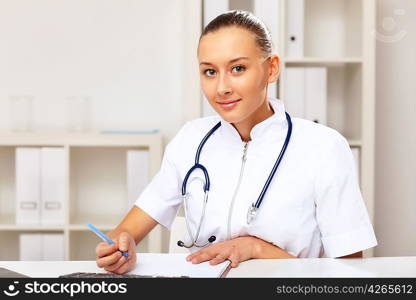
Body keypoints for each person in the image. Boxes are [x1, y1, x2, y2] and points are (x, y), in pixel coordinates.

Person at [95, 10, 377, 274]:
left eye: (238, 68)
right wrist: (119, 248)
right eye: (210, 71)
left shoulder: (323, 148)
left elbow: (348, 275)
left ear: (271, 69)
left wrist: (257, 249)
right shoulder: (190, 140)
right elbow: (125, 233)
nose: (222, 88)